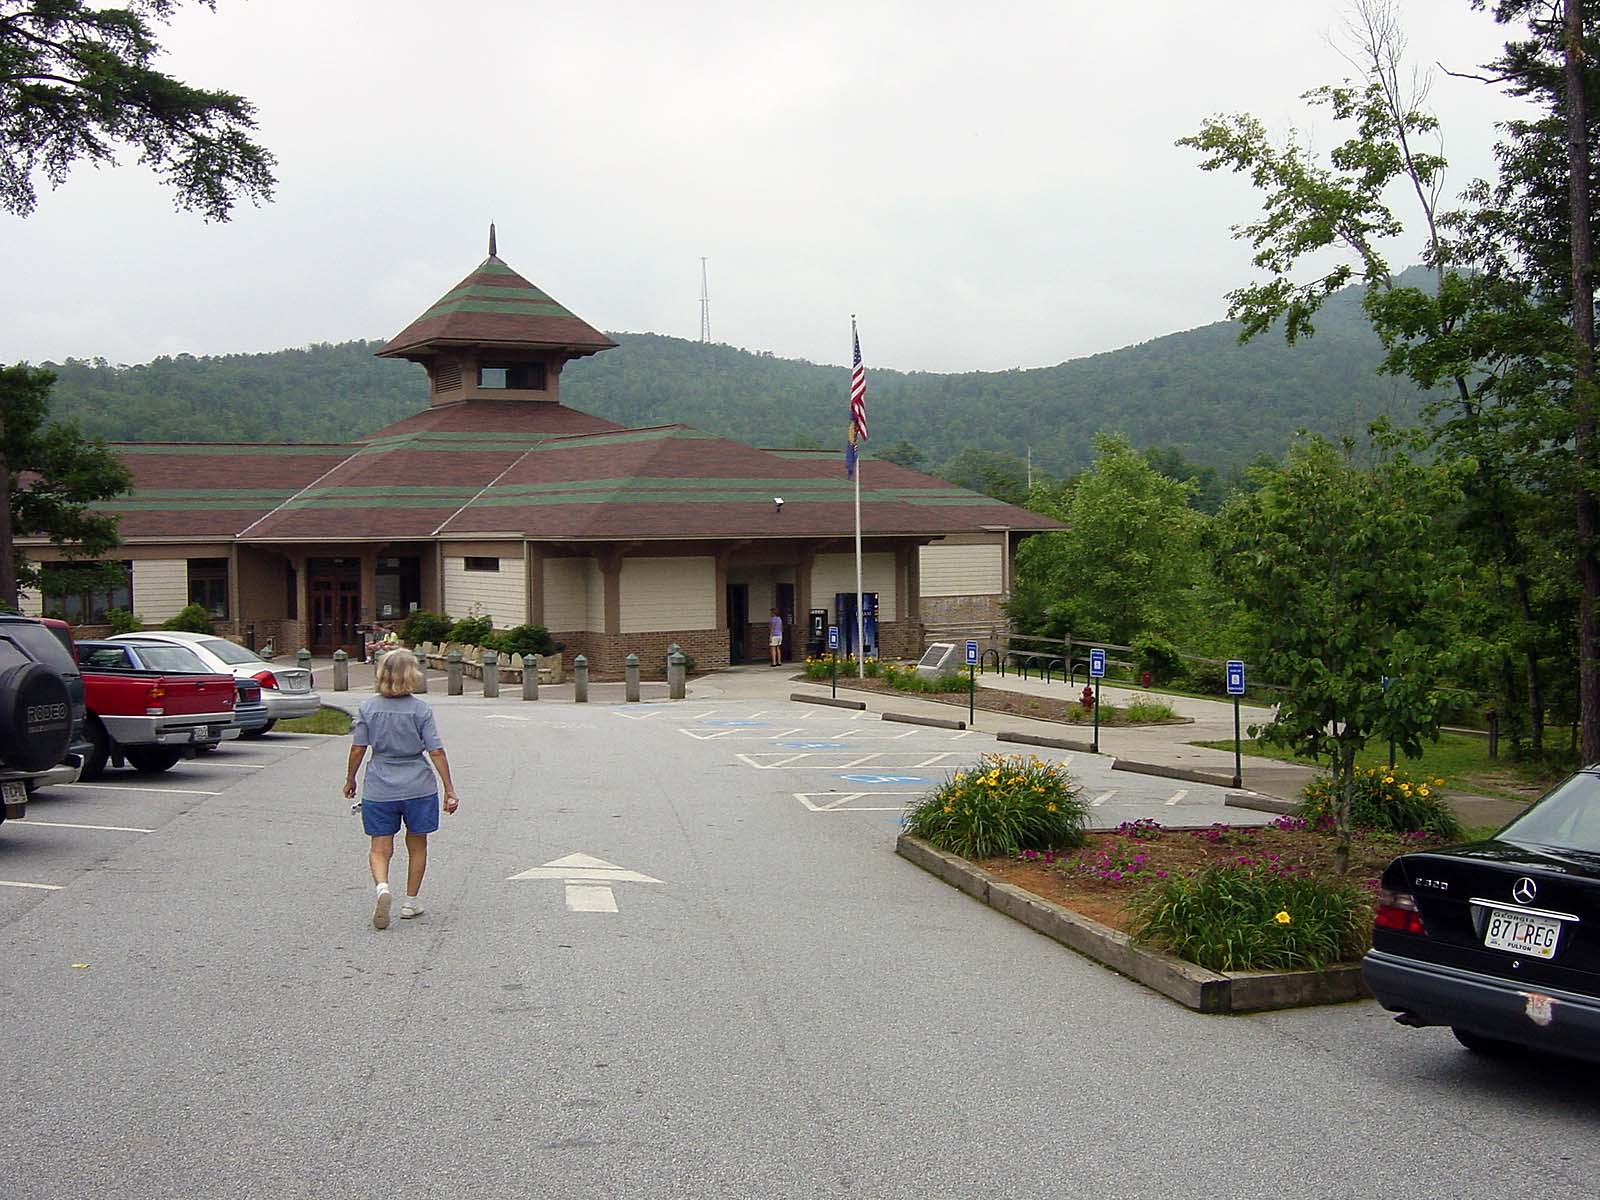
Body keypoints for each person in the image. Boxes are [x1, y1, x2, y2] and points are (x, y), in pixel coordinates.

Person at [343, 648, 459, 929]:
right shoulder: (420, 710)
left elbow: (359, 748)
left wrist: (350, 779)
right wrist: (449, 789)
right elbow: (437, 751)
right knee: (417, 843)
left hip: (380, 785)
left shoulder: (368, 708)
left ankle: (382, 886)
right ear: (412, 675)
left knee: (380, 846)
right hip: (418, 785)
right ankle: (410, 901)